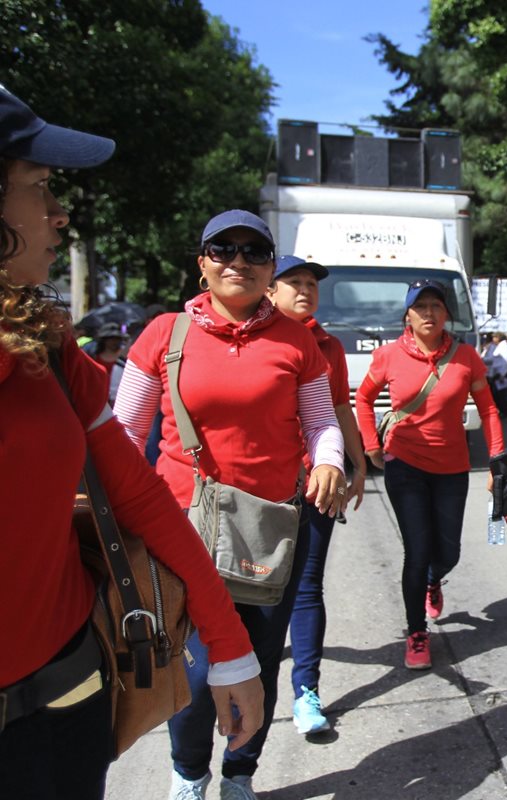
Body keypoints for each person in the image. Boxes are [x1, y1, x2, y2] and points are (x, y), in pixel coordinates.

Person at [0, 87, 263, 800]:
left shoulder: (46, 346)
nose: (59, 213)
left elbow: (133, 488)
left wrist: (230, 649)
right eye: (40, 187)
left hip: (64, 699)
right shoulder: (160, 334)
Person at [114, 209, 349, 800]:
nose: (237, 262)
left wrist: (329, 460)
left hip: (266, 531)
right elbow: (122, 434)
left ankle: (240, 773)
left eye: (253, 252)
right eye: (223, 250)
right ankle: (189, 773)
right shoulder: (164, 334)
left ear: (270, 269)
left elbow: (321, 422)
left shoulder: (297, 342)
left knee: (257, 662)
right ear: (202, 264)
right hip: (178, 530)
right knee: (193, 666)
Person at [355, 279, 504, 671]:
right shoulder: (388, 355)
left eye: (436, 306)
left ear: (447, 313)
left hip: (452, 468)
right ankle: (416, 632)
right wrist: (371, 443)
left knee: (448, 552)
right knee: (417, 551)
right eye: (420, 306)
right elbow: (363, 396)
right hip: (404, 465)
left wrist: (496, 458)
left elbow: (488, 409)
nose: (428, 313)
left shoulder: (466, 356)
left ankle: (434, 580)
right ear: (407, 314)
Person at [265, 255, 369, 735]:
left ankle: (306, 690)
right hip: (259, 492)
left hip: (316, 484)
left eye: (311, 283)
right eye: (294, 282)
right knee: (259, 593)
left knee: (307, 586)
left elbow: (340, 408)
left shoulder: (327, 344)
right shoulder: (253, 339)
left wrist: (358, 461)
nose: (305, 289)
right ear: (269, 290)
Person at [81, 320, 127, 403]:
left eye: (117, 338)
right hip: (96, 397)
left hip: (118, 399)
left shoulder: (124, 359)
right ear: (104, 340)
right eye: (111, 339)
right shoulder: (94, 358)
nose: (114, 342)